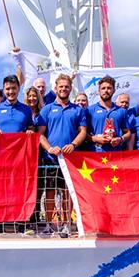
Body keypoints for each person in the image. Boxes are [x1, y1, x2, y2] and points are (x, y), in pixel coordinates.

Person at [40, 73, 87, 236]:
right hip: (51, 159)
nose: (64, 89)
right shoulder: (46, 109)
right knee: (50, 192)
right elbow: (40, 135)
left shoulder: (78, 110)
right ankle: (48, 224)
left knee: (68, 192)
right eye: (61, 86)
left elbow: (83, 132)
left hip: (70, 159)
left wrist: (73, 145)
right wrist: (49, 149)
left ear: (70, 89)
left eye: (67, 87)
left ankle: (66, 224)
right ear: (56, 88)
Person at [84, 76, 129, 153]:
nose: (106, 90)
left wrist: (120, 139)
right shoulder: (89, 110)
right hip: (95, 154)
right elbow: (82, 133)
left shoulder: (121, 111)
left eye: (109, 88)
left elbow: (127, 133)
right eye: (103, 88)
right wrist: (95, 139)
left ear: (114, 90)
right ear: (99, 91)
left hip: (115, 154)